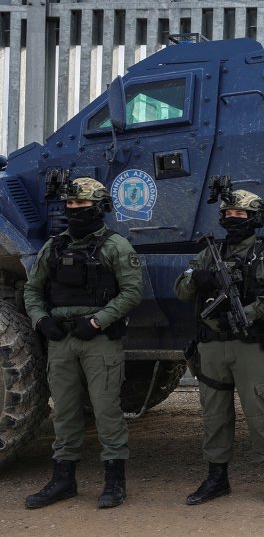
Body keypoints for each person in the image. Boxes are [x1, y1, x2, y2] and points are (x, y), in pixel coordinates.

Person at [24, 177, 143, 509]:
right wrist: (41, 320)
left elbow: (132, 292)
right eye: (71, 205)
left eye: (83, 205)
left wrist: (97, 321)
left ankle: (114, 483)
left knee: (106, 410)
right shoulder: (54, 246)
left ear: (100, 208)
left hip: (99, 340)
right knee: (64, 411)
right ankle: (63, 480)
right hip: (61, 339)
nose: (75, 211)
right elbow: (33, 290)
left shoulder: (115, 246)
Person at [174, 187, 264, 507]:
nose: (233, 219)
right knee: (214, 415)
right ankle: (217, 479)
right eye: (229, 214)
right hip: (212, 348)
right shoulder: (207, 255)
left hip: (249, 347)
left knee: (261, 413)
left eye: (241, 215)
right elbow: (182, 289)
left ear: (255, 219)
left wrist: (250, 313)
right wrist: (196, 279)